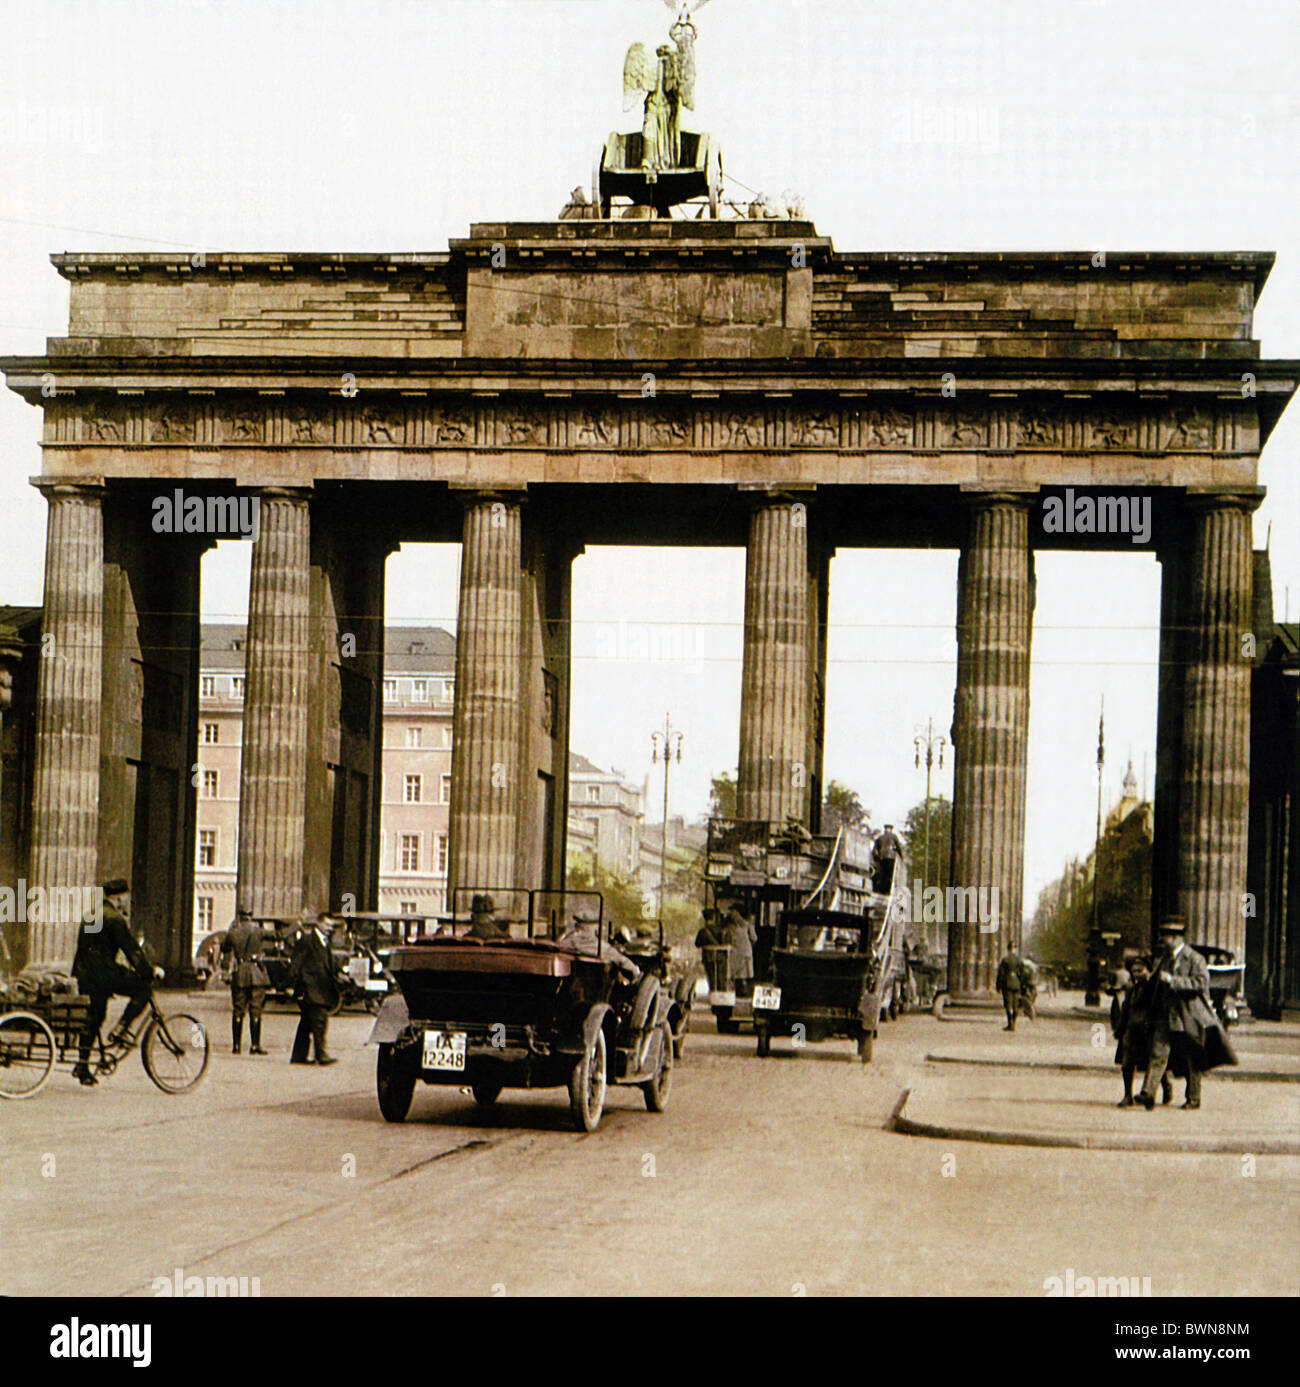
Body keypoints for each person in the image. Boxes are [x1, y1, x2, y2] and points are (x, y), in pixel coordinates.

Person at [70, 878, 164, 1087]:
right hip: (104, 973)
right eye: (126, 898)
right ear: (120, 897)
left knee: (94, 1017)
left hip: (85, 974)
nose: (126, 902)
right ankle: (122, 1027)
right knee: (143, 991)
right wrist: (149, 971)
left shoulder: (91, 915)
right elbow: (131, 950)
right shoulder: (114, 918)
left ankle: (82, 1065)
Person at [1138, 916, 1237, 1111]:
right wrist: (1149, 978)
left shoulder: (1194, 958)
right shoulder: (1166, 957)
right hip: (1166, 1015)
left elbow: (1201, 983)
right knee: (1158, 1053)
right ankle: (1148, 1093)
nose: (1162, 940)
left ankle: (1194, 1098)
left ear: (1175, 937)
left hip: (1188, 1016)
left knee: (1192, 1057)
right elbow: (1159, 980)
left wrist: (1174, 981)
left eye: (1165, 936)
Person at [1114, 956, 1172, 1108]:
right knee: (1127, 1064)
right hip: (1132, 1030)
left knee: (1151, 1062)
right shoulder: (1131, 989)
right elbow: (1126, 1010)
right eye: (1133, 971)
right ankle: (1127, 1096)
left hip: (1148, 1031)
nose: (1136, 974)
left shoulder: (1155, 990)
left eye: (1140, 971)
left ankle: (1160, 1089)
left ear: (1148, 971)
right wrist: (1120, 1030)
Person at [288, 911, 339, 1066]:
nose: (330, 929)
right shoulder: (308, 940)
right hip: (311, 988)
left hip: (321, 989)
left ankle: (299, 1056)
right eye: (328, 925)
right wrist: (291, 985)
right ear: (319, 923)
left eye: (332, 926)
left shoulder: (325, 942)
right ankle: (321, 1055)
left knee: (306, 1023)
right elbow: (296, 963)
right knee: (319, 1021)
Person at [220, 907, 270, 1055]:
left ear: (240, 917)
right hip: (256, 974)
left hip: (240, 973)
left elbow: (224, 948)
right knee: (256, 1010)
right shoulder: (258, 931)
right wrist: (297, 925)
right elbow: (278, 935)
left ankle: (236, 1046)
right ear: (251, 916)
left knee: (238, 1010)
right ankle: (255, 1046)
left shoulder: (234, 933)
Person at [724, 906, 758, 999]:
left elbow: (754, 938)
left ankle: (740, 992)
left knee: (739, 975)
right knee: (741, 974)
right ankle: (741, 992)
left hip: (738, 953)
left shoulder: (732, 926)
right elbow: (754, 938)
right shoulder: (745, 925)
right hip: (741, 953)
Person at [995, 948, 1024, 1031]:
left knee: (1008, 1005)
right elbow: (1022, 973)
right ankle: (1014, 1023)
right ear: (1015, 949)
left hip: (1007, 984)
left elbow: (1001, 973)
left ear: (1008, 949)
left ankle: (1010, 1023)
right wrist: (1020, 983)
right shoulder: (1019, 960)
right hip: (1016, 984)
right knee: (1015, 1005)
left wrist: (998, 986)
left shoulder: (1005, 960)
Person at [871, 825, 904, 894]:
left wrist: (876, 858)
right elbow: (899, 847)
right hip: (890, 858)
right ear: (891, 829)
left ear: (885, 830)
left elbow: (874, 851)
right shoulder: (894, 836)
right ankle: (888, 891)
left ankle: (881, 891)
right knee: (889, 875)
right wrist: (901, 857)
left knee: (882, 875)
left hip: (882, 859)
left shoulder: (880, 838)